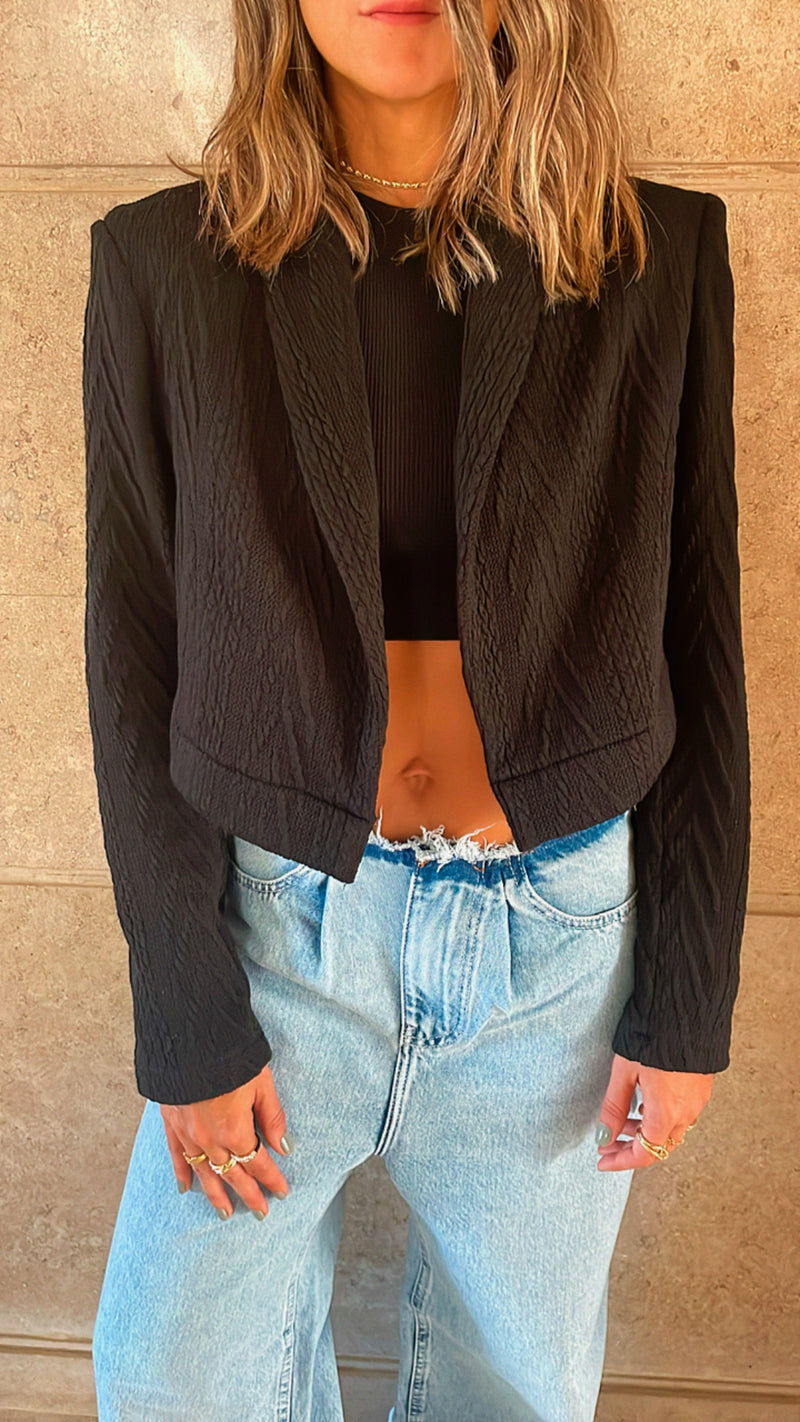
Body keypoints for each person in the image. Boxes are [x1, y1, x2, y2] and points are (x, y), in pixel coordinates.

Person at [82, 0, 750, 1415]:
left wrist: (691, 996)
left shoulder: (654, 253)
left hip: (555, 954)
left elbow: (701, 634)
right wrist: (182, 1009)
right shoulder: (162, 264)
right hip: (278, 931)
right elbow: (132, 653)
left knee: (517, 1388)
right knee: (174, 1375)